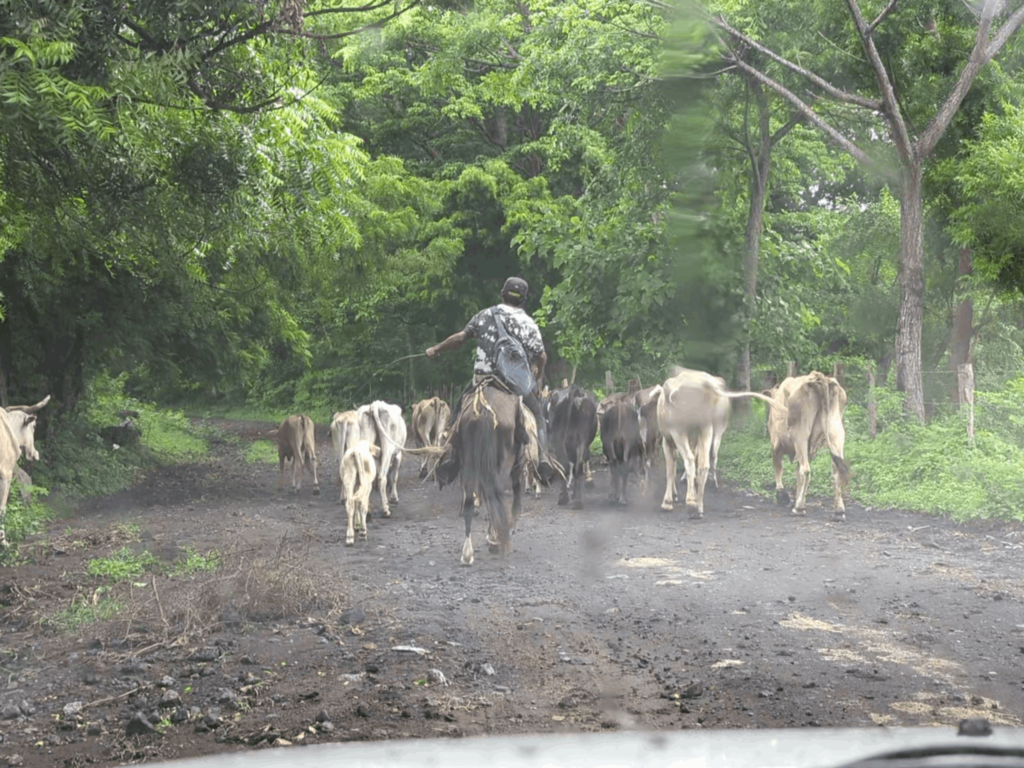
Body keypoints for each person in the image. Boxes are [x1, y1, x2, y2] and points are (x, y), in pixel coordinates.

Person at [425, 277, 554, 484]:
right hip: (515, 385)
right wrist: (537, 372)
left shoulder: (485, 315)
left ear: (502, 294)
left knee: (458, 411)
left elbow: (459, 339)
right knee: (538, 415)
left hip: (482, 380)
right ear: (523, 300)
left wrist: (435, 349)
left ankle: (450, 456)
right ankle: (544, 459)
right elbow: (542, 354)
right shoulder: (528, 323)